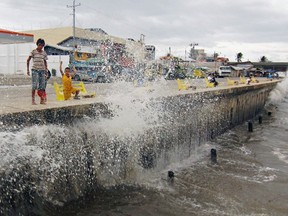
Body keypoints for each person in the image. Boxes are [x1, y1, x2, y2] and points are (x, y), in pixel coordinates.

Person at [27, 38, 48, 105]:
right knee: (34, 85)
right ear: (37, 45)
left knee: (42, 86)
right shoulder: (33, 52)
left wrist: (46, 70)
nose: (40, 47)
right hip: (35, 70)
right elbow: (28, 60)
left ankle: (42, 100)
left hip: (42, 70)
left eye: (42, 45)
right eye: (39, 45)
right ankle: (33, 100)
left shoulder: (44, 53)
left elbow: (45, 62)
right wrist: (27, 70)